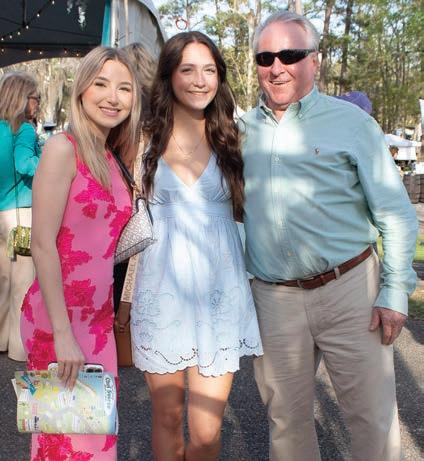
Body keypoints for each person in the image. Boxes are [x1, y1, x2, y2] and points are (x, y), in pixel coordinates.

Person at [241, 11, 418, 461]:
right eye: (265, 57)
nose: (276, 67)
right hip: (274, 299)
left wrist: (395, 290)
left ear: (315, 61)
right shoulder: (240, 131)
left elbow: (395, 213)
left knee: (373, 420)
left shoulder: (351, 123)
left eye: (290, 54)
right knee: (286, 423)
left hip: (350, 291)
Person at [130, 31, 263, 461]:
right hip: (160, 293)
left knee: (206, 433)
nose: (199, 80)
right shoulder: (141, 140)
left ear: (219, 78)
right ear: (169, 76)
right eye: (187, 69)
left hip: (219, 295)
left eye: (209, 70)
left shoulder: (236, 138)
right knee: (167, 417)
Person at [20, 46, 141, 460]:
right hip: (59, 317)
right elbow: (42, 244)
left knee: (96, 443)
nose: (113, 97)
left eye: (124, 88)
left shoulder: (112, 156)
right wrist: (62, 333)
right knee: (62, 446)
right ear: (82, 90)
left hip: (98, 319)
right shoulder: (62, 148)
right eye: (101, 84)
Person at [0, 71, 41, 361]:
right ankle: (19, 347)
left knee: (3, 282)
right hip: (21, 216)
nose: (38, 103)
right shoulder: (24, 129)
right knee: (22, 284)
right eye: (35, 97)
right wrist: (50, 160)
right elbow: (25, 164)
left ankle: (2, 339)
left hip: (2, 214)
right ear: (22, 98)